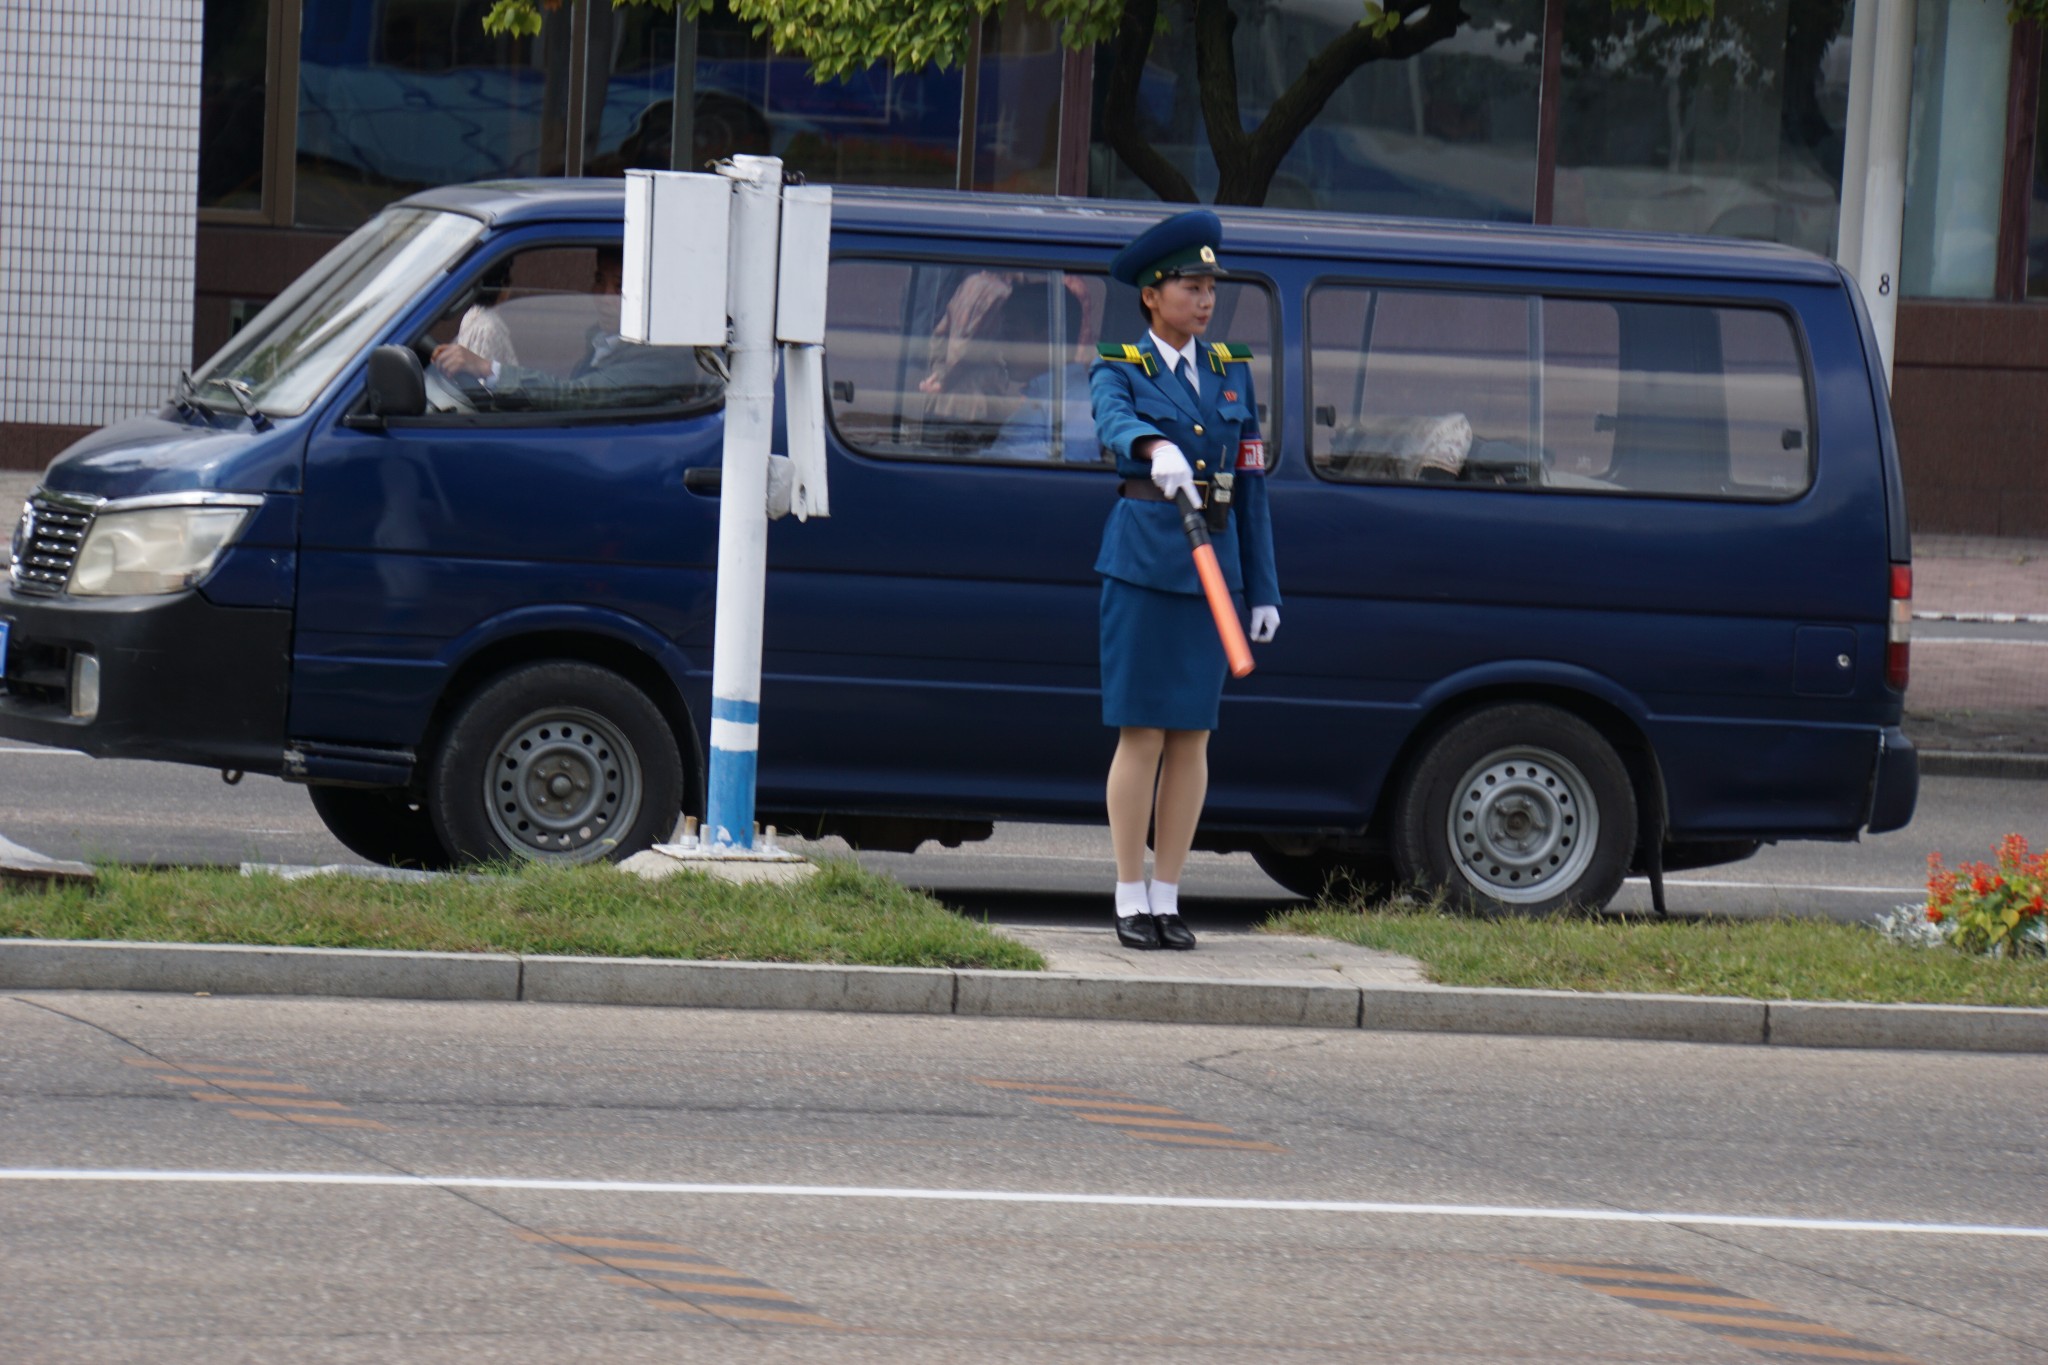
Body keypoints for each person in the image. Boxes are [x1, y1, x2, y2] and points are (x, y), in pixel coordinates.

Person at [1090, 209, 1281, 951]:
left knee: (1193, 737)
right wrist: (1149, 443)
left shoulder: (1231, 371)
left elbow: (1254, 487)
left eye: (1210, 287)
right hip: (1143, 566)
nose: (1205, 300)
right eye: (1191, 286)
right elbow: (1109, 418)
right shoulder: (1120, 366)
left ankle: (1167, 894)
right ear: (1151, 294)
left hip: (1214, 574)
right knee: (1141, 735)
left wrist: (1262, 588)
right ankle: (1127, 893)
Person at [431, 247, 713, 410]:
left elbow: (577, 396)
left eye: (620, 286)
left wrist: (487, 368)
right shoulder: (607, 342)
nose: (603, 296)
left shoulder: (661, 359)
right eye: (599, 280)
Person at [453, 261, 518, 369]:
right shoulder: (490, 327)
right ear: (501, 286)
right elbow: (485, 381)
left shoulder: (471, 315)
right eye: (508, 282)